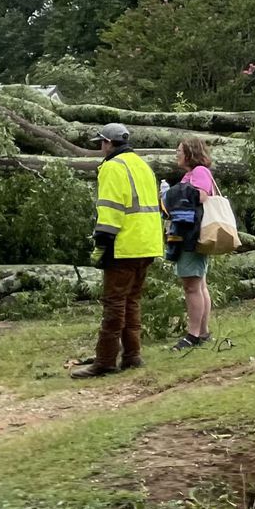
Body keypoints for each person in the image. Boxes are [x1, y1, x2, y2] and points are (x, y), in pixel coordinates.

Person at [69, 122, 163, 378]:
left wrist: (102, 243)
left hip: (124, 244)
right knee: (132, 302)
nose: (100, 147)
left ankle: (105, 361)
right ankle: (132, 356)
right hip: (148, 243)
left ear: (108, 143)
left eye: (101, 143)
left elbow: (110, 209)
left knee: (114, 304)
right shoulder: (142, 165)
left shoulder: (111, 167)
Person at [169, 137, 216, 351]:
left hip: (192, 236)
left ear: (190, 153)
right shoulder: (190, 174)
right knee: (199, 285)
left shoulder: (199, 172)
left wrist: (172, 193)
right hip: (190, 234)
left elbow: (202, 196)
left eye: (180, 151)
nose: (177, 154)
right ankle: (203, 332)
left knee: (191, 287)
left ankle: (193, 334)